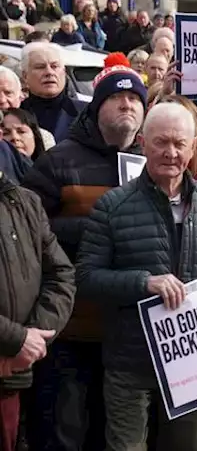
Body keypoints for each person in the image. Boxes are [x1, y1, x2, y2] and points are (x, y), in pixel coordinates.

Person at [76, 103, 197, 451]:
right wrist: (143, 282)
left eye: (180, 144)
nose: (171, 153)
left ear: (193, 145)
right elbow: (86, 277)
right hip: (131, 363)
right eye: (161, 142)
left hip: (196, 358)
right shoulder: (113, 206)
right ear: (142, 142)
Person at [21, 61, 147, 451]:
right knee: (64, 432)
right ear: (96, 108)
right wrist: (94, 227)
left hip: (128, 336)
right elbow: (26, 232)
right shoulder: (60, 161)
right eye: (116, 98)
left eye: (134, 99)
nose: (126, 105)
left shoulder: (152, 165)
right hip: (70, 329)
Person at [0, 160, 75, 451]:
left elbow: (61, 274)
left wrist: (33, 338)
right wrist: (16, 339)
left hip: (14, 377)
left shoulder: (26, 201)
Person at [20, 42, 86, 143]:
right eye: (40, 67)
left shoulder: (87, 113)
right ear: (25, 76)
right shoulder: (16, 115)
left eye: (54, 66)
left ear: (64, 72)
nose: (49, 72)